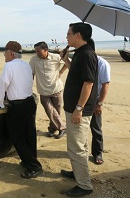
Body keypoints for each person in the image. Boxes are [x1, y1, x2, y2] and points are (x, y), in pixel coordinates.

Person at [0, 41, 43, 179]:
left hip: (19, 106)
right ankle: (30, 160)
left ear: (11, 53)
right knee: (30, 134)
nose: (4, 54)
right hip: (29, 102)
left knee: (17, 136)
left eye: (5, 52)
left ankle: (34, 167)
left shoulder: (9, 66)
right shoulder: (26, 65)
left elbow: (2, 86)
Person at [60, 23, 98, 197]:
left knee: (76, 147)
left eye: (69, 33)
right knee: (78, 143)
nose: (66, 37)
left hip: (79, 109)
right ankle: (77, 172)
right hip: (74, 107)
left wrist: (79, 108)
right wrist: (66, 60)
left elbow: (88, 83)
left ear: (78, 35)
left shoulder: (87, 55)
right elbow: (76, 74)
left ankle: (84, 185)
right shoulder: (79, 54)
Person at [29, 41, 66, 139]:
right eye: (35, 51)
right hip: (43, 91)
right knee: (50, 110)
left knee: (56, 112)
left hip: (57, 89)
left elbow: (67, 62)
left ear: (46, 50)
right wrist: (29, 87)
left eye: (38, 51)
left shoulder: (56, 57)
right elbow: (31, 74)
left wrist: (61, 72)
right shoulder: (34, 60)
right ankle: (62, 128)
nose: (36, 53)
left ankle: (52, 129)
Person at [87, 40, 110, 165]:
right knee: (81, 128)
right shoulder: (82, 61)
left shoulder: (102, 63)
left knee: (96, 128)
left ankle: (97, 152)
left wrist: (100, 103)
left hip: (95, 99)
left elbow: (105, 84)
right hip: (82, 99)